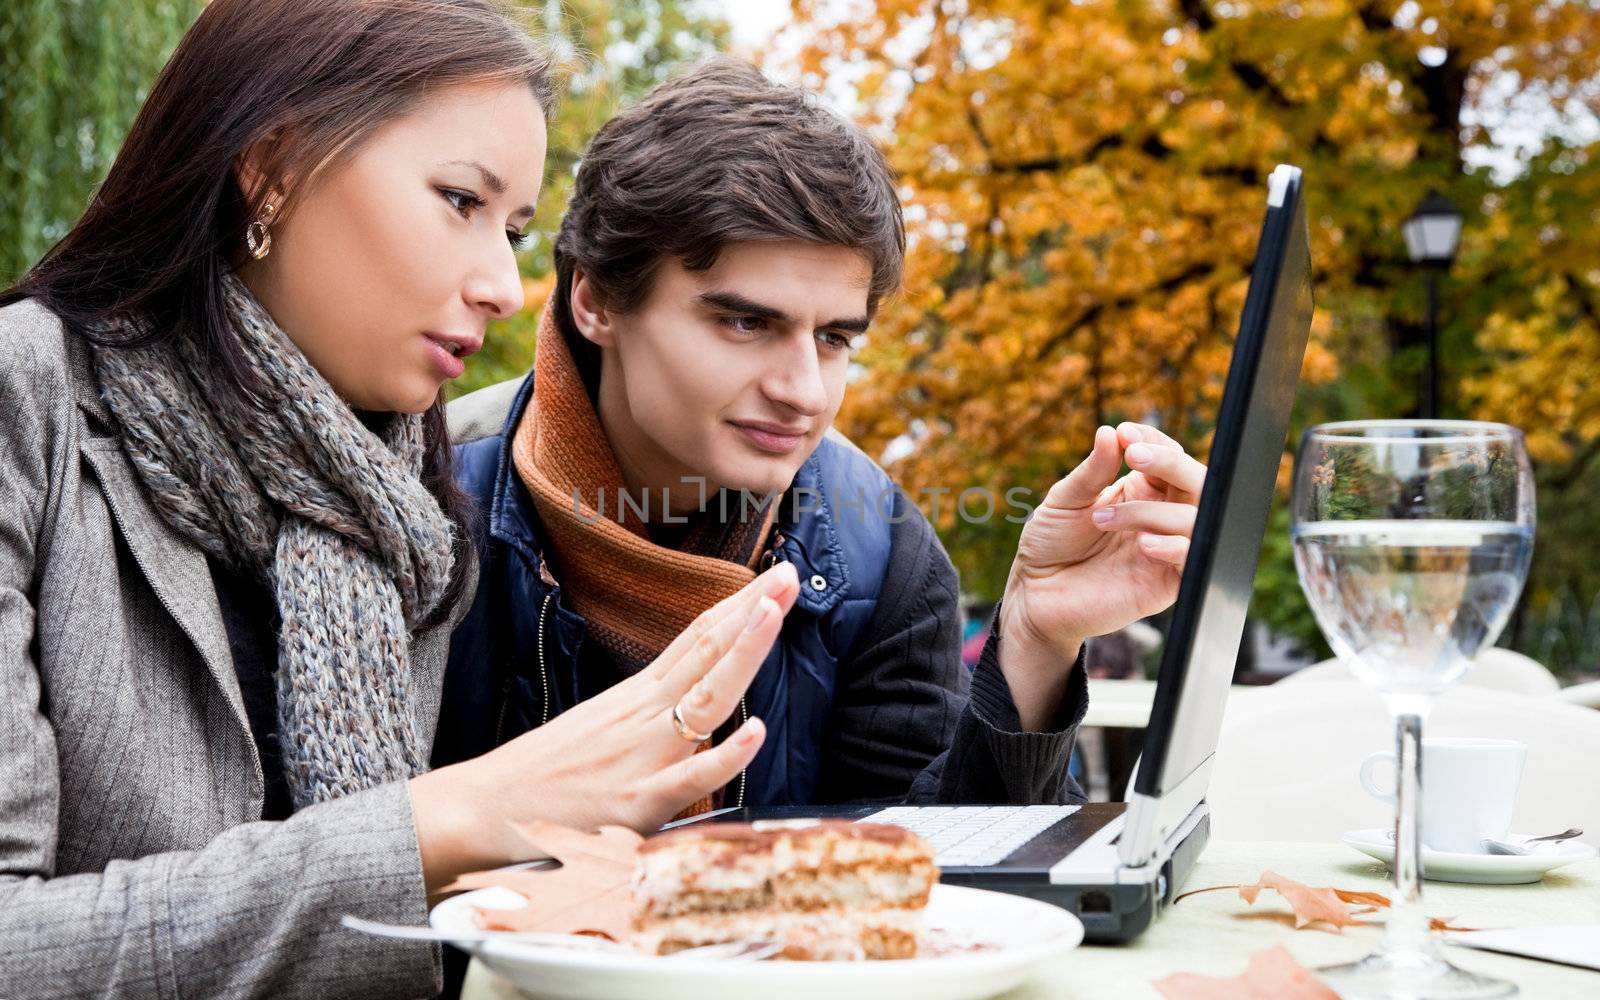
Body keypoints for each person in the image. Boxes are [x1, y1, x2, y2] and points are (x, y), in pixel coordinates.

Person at [0, 3, 797, 997]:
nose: (507, 285)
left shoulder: (400, 503)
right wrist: (441, 825)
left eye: (513, 229)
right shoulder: (25, 399)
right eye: (461, 200)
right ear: (275, 165)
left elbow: (369, 924)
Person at [439, 59, 1208, 810]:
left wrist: (1036, 644)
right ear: (596, 302)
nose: (802, 391)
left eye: (836, 339)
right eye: (745, 322)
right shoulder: (425, 499)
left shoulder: (888, 551)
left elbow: (942, 890)